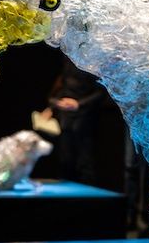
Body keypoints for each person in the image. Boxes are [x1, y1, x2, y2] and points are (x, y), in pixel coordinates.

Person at [42, 56, 107, 185]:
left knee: (85, 159)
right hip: (66, 115)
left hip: (85, 116)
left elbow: (101, 93)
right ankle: (65, 194)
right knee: (65, 158)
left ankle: (87, 197)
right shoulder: (67, 62)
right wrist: (54, 105)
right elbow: (61, 88)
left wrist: (78, 104)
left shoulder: (92, 64)